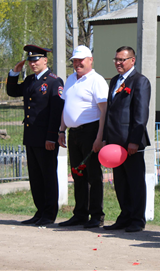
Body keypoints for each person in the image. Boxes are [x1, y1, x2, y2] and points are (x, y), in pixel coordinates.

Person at [6, 45, 64, 226]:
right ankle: (40, 211)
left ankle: (49, 214)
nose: (33, 64)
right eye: (30, 60)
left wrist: (51, 137)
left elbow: (56, 112)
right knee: (36, 177)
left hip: (46, 138)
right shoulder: (30, 80)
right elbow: (13, 91)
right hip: (31, 136)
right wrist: (14, 73)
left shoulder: (54, 81)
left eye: (36, 60)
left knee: (48, 176)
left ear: (45, 60)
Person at [57, 45, 108, 229]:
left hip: (91, 130)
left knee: (93, 174)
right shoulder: (71, 79)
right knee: (77, 173)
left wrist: (99, 136)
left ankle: (96, 215)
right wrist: (62, 130)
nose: (77, 64)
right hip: (74, 132)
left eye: (81, 60)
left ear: (90, 60)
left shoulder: (97, 80)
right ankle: (80, 214)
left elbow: (104, 111)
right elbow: (66, 107)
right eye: (75, 61)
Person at [102, 46, 151, 233]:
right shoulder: (115, 81)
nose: (118, 63)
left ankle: (138, 219)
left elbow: (141, 114)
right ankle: (125, 215)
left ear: (133, 60)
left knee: (135, 181)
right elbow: (110, 112)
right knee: (120, 182)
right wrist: (106, 138)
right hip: (115, 143)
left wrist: (134, 141)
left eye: (122, 60)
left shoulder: (140, 81)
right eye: (116, 60)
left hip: (131, 142)